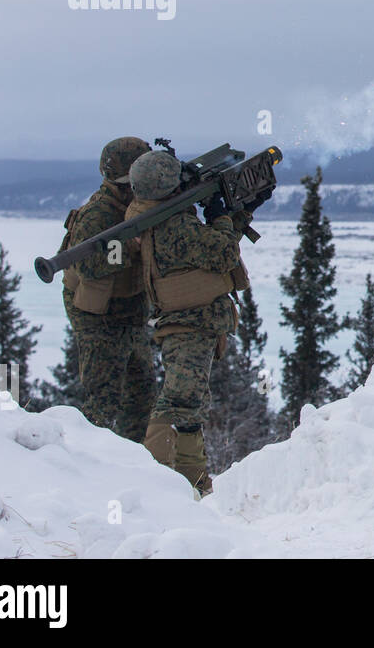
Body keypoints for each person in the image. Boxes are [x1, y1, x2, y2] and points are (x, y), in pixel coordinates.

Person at [125, 149, 260, 495]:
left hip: (187, 323)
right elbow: (221, 253)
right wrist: (221, 216)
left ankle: (194, 484)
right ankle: (156, 486)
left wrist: (239, 213)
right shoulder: (174, 224)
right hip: (188, 324)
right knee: (178, 403)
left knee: (190, 407)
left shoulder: (147, 212)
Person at [57, 136, 155, 441]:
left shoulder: (136, 205)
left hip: (130, 314)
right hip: (99, 320)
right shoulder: (98, 214)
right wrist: (130, 247)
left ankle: (135, 462)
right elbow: (86, 264)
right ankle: (89, 466)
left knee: (141, 396)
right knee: (103, 401)